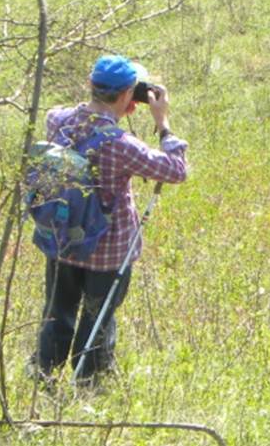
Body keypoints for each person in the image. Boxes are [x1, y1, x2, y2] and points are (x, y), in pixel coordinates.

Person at [32, 54, 188, 385]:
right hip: (107, 251)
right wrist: (162, 123)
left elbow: (76, 119)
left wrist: (116, 108)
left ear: (91, 85)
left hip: (62, 238)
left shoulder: (56, 121)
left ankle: (43, 372)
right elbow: (176, 170)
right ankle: (89, 380)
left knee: (57, 311)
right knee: (97, 316)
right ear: (128, 94)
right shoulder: (120, 144)